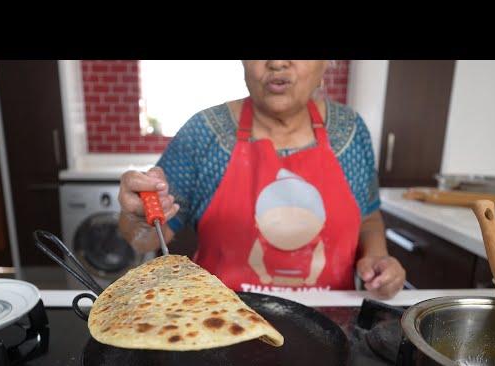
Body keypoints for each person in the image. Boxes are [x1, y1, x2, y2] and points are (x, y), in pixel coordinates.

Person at [118, 60, 405, 299]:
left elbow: (368, 218)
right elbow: (145, 239)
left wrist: (377, 258)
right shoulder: (204, 133)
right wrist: (140, 217)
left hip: (332, 325)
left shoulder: (351, 132)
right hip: (217, 323)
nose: (278, 62)